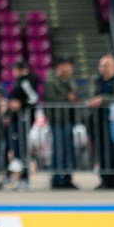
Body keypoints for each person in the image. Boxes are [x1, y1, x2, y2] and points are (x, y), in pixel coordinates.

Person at [44, 56, 79, 189]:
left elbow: (74, 94)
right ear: (60, 66)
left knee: (68, 149)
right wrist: (67, 97)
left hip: (69, 119)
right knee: (58, 150)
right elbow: (51, 99)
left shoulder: (69, 80)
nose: (70, 69)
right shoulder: (51, 81)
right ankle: (57, 178)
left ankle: (68, 178)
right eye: (68, 65)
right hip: (57, 121)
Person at [7, 61, 39, 190]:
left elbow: (33, 98)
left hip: (23, 120)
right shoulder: (20, 81)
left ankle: (25, 179)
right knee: (18, 150)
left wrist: (21, 105)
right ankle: (20, 178)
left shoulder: (25, 81)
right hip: (18, 120)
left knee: (23, 150)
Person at [86, 54, 114, 189]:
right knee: (100, 150)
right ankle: (105, 179)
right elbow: (89, 96)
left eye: (106, 65)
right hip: (97, 120)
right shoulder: (96, 81)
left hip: (112, 121)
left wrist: (103, 100)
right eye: (101, 66)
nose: (103, 68)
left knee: (112, 149)